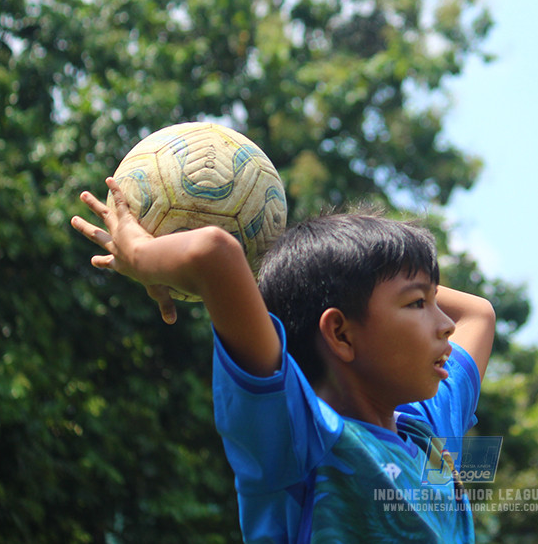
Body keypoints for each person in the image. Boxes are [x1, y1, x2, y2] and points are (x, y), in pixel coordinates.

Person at [71, 177, 496, 542]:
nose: (446, 325)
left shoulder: (426, 433)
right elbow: (214, 252)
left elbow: (478, 314)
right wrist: (139, 254)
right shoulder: (299, 435)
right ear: (340, 333)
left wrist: (349, 271)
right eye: (418, 303)